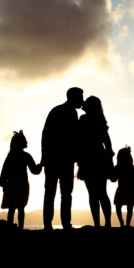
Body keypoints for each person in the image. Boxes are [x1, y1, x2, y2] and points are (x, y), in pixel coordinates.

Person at [41, 87, 84, 231]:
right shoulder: (67, 112)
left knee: (54, 193)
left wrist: (44, 157)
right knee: (62, 193)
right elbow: (74, 138)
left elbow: (46, 135)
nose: (82, 101)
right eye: (80, 98)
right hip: (61, 159)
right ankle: (62, 224)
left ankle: (52, 224)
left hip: (57, 159)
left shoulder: (60, 111)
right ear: (73, 97)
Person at [76, 95, 114, 228]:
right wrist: (110, 159)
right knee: (101, 193)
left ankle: (98, 223)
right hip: (98, 157)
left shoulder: (84, 119)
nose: (83, 103)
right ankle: (106, 223)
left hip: (89, 158)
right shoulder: (99, 120)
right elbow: (107, 141)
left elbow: (79, 139)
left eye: (86, 102)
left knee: (93, 193)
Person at [0, 130, 42, 230]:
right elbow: (35, 170)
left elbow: (3, 175)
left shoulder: (10, 157)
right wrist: (41, 165)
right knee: (20, 208)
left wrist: (3, 184)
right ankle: (20, 229)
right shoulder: (25, 156)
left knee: (12, 208)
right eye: (25, 140)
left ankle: (11, 228)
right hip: (21, 186)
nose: (27, 142)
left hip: (13, 186)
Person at [113, 146, 134, 228]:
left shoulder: (120, 167)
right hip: (131, 189)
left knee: (119, 207)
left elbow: (113, 178)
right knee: (128, 208)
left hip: (124, 189)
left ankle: (123, 223)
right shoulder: (131, 167)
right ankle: (126, 224)